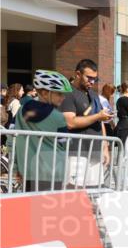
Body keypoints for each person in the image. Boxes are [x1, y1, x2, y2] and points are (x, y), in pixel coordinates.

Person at [12, 70, 72, 191]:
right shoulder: (58, 117)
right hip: (53, 171)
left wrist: (15, 167)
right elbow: (64, 145)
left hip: (27, 170)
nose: (63, 97)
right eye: (59, 94)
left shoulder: (21, 111)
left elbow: (12, 139)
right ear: (44, 92)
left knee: (31, 207)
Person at [60, 59, 113, 188]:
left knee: (94, 191)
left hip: (95, 151)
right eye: (89, 78)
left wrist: (105, 147)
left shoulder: (94, 95)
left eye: (95, 79)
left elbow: (101, 122)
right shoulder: (67, 93)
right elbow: (70, 122)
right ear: (78, 74)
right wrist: (97, 116)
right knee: (74, 191)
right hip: (76, 152)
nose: (92, 82)